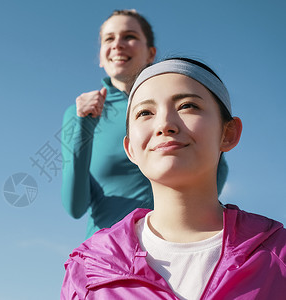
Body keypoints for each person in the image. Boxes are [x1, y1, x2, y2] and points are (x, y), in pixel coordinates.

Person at [61, 58, 286, 299]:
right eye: (145, 112)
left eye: (187, 106)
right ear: (131, 149)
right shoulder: (88, 271)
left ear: (228, 133)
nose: (165, 124)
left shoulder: (278, 255)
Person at [61, 10, 229, 239]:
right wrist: (83, 125)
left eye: (129, 36)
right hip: (109, 256)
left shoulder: (182, 106)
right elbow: (75, 206)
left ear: (151, 53)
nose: (118, 44)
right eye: (109, 39)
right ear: (100, 57)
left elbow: (216, 173)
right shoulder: (80, 113)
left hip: (179, 249)